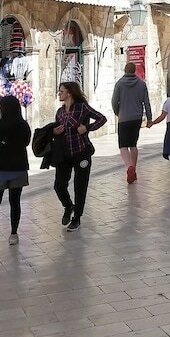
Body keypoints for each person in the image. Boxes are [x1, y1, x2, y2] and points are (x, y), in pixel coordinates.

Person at [52, 81, 107, 231]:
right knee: (59, 185)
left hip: (81, 152)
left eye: (61, 91)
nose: (59, 93)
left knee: (80, 186)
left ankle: (77, 218)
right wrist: (54, 132)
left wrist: (87, 128)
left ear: (69, 93)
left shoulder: (81, 108)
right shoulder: (60, 112)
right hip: (64, 154)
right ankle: (68, 206)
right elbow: (55, 129)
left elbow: (102, 118)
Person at [0, 94, 31, 247]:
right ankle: (14, 234)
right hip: (18, 168)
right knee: (15, 202)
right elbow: (27, 142)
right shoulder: (23, 125)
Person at [111, 62, 153, 184]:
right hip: (136, 118)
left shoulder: (119, 84)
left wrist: (118, 112)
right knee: (133, 144)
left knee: (123, 146)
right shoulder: (141, 84)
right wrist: (149, 119)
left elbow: (114, 101)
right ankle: (133, 169)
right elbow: (147, 102)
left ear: (125, 70)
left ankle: (129, 166)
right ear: (134, 71)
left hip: (124, 117)